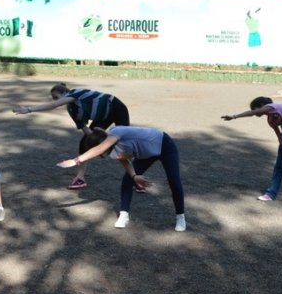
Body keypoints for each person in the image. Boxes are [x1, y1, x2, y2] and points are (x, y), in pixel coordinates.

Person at [57, 126, 185, 231]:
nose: (100, 154)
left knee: (174, 181)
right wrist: (135, 176)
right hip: (146, 155)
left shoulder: (117, 133)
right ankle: (124, 215)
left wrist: (76, 160)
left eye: (98, 150)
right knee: (127, 180)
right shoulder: (113, 147)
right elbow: (125, 160)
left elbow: (100, 148)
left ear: (101, 144)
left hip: (165, 146)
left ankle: (180, 217)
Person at [13, 83, 134, 191]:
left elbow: (53, 104)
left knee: (125, 145)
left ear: (65, 93)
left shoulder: (76, 92)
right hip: (102, 117)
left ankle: (135, 177)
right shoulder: (72, 109)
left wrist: (29, 109)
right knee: (84, 143)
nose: (55, 100)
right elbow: (86, 130)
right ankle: (80, 178)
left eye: (56, 97)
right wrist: (100, 143)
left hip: (117, 108)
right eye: (53, 98)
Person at [222, 97, 282, 207]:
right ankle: (271, 193)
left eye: (255, 108)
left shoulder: (272, 107)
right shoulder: (270, 120)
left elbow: (252, 113)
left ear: (262, 105)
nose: (255, 111)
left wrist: (234, 117)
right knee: (279, 165)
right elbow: (280, 137)